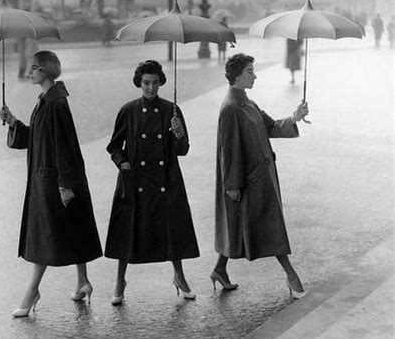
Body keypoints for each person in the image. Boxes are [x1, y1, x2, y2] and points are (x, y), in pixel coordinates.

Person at [0, 50, 102, 317]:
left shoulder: (55, 104)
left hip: (53, 182)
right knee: (71, 228)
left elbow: (65, 145)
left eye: (34, 68)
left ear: (45, 71)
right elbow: (39, 137)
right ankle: (82, 282)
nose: (30, 72)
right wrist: (12, 122)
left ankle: (32, 291)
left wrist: (65, 184)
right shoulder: (47, 100)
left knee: (44, 238)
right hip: (50, 179)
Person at [212, 53, 309, 299]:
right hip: (248, 181)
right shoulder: (231, 108)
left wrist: (295, 116)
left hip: (260, 178)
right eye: (249, 71)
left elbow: (272, 127)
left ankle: (219, 270)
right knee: (269, 227)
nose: (254, 75)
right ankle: (290, 274)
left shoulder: (248, 103)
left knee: (241, 228)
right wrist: (232, 185)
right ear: (236, 75)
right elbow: (229, 150)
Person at [104, 59, 199, 305]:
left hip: (166, 178)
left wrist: (178, 133)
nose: (150, 88)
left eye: (155, 83)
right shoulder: (128, 110)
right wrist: (123, 163)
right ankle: (119, 280)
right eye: (146, 83)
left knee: (172, 230)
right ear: (139, 83)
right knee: (128, 231)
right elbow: (114, 146)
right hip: (136, 179)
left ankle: (179, 276)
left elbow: (183, 149)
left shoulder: (171, 110)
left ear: (161, 83)